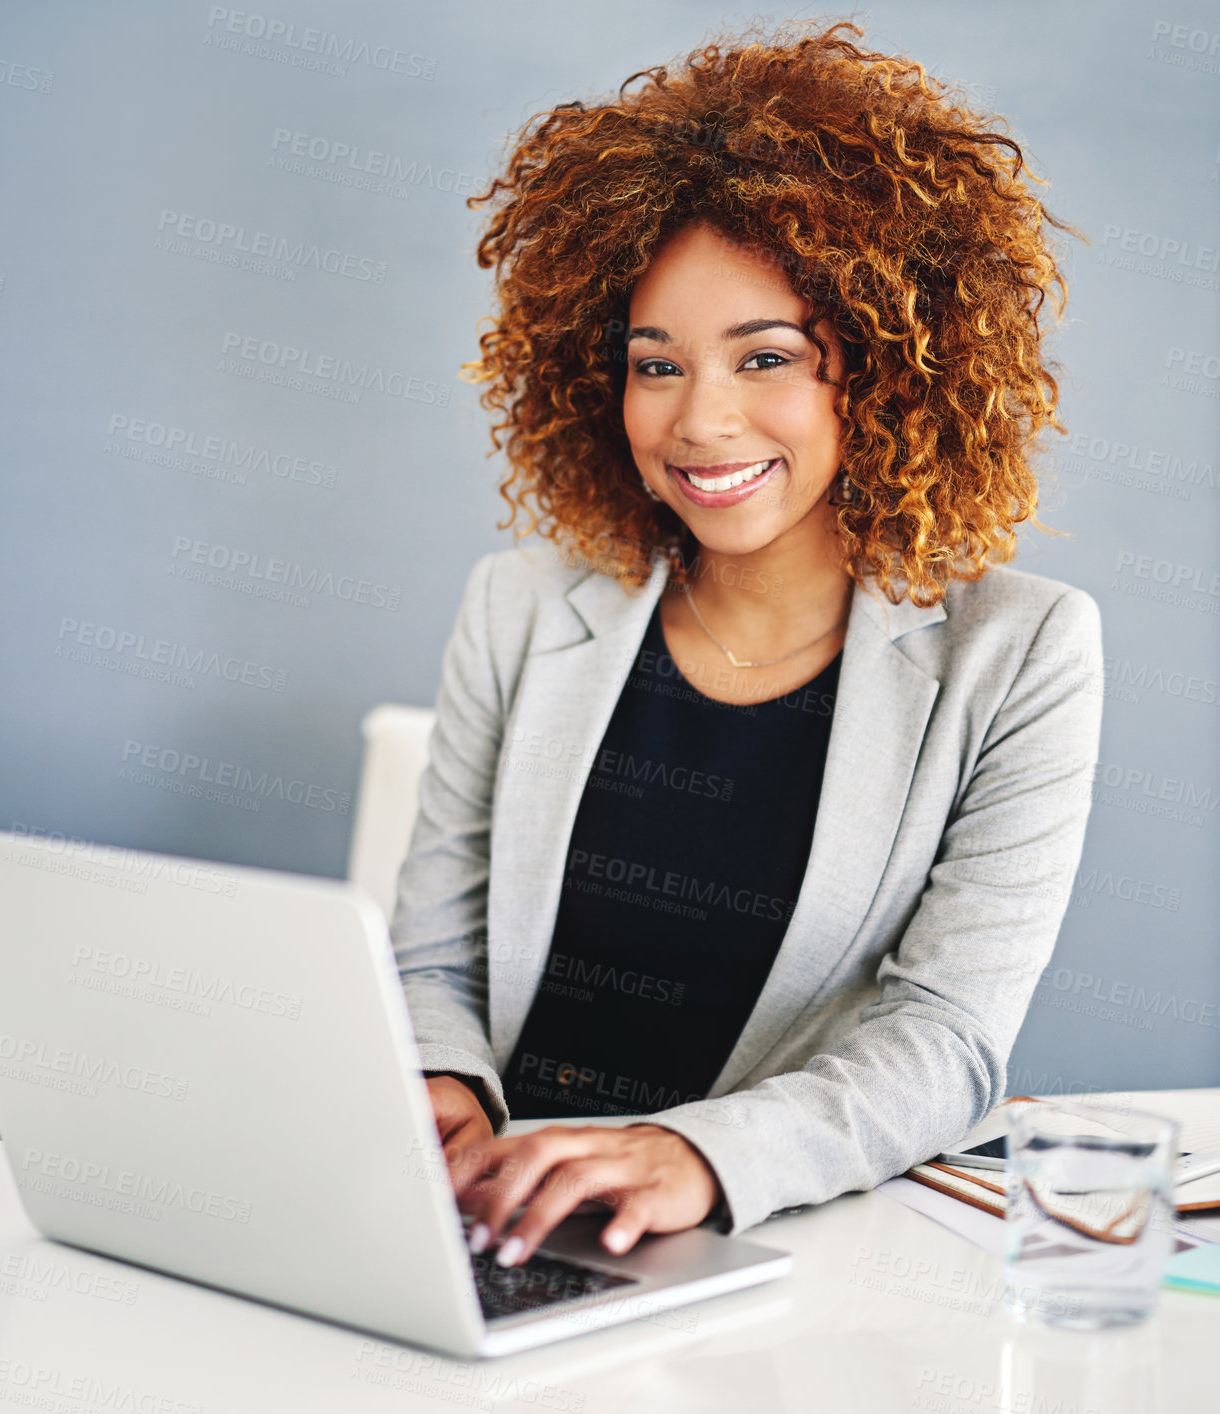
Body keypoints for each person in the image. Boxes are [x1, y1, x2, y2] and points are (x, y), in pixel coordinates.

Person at [391, 19, 1103, 1270]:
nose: (699, 422)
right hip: (497, 1221)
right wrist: (442, 1084)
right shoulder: (520, 605)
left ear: (886, 375)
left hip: (750, 1241)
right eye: (652, 364)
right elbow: (435, 962)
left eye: (765, 358)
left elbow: (947, 1033)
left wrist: (701, 1156)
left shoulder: (1022, 652)